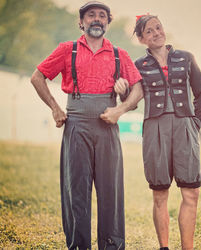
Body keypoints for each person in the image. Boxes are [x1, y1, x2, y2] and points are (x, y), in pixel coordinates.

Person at [30, 1, 143, 249]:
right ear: (81, 22)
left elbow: (138, 88)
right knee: (76, 192)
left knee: (110, 192)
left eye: (102, 16)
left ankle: (111, 246)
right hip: (76, 125)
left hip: (107, 126)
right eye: (91, 15)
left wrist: (120, 109)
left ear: (107, 23)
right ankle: (78, 245)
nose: (96, 19)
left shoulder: (119, 54)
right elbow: (37, 77)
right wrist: (55, 108)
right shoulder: (67, 50)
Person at [133, 15, 201, 250]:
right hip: (155, 130)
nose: (156, 33)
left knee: (191, 193)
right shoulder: (138, 66)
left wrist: (196, 122)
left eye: (158, 27)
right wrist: (122, 88)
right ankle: (164, 247)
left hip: (185, 128)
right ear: (141, 39)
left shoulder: (186, 58)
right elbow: (130, 99)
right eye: (149, 31)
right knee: (160, 194)